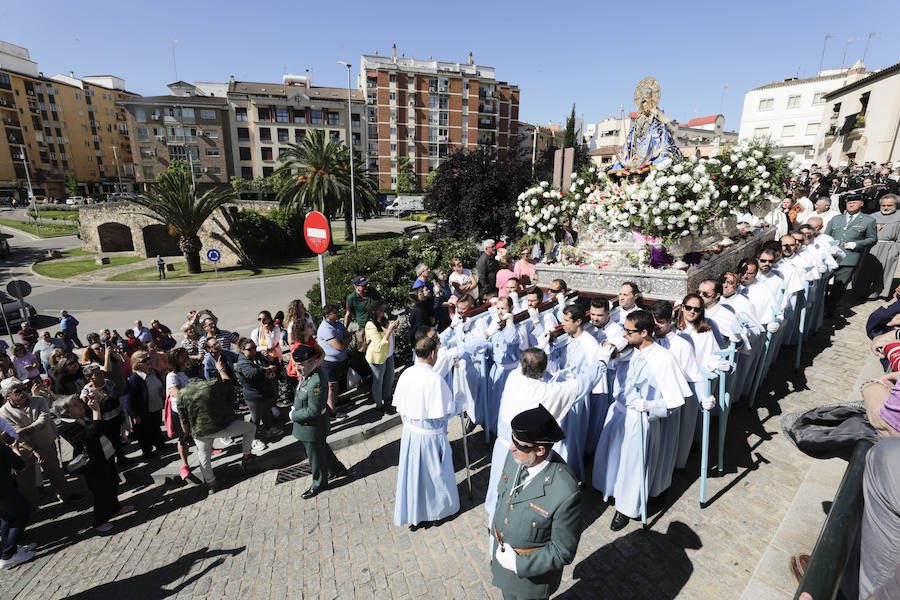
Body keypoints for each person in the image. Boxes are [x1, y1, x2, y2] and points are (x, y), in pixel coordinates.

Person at [592, 310, 691, 531]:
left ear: (644, 332)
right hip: (618, 411)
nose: (624, 334)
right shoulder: (629, 349)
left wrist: (651, 406)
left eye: (629, 331)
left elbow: (675, 402)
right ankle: (608, 489)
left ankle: (626, 508)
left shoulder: (663, 358)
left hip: (640, 419)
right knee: (612, 457)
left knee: (632, 465)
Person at [490, 405, 582, 600]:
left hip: (530, 581)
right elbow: (503, 497)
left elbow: (562, 551)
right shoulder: (518, 456)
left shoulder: (565, 491)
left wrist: (518, 565)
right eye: (513, 440)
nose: (511, 447)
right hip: (503, 561)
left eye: (519, 444)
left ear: (540, 450)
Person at [393, 334, 460, 529]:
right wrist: (460, 401)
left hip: (410, 434)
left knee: (414, 475)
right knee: (435, 476)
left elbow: (400, 405)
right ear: (432, 354)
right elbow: (446, 412)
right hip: (430, 437)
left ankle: (416, 510)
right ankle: (438, 511)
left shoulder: (406, 374)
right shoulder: (435, 379)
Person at [175, 358, 258, 495]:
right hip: (222, 427)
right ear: (201, 371)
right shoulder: (212, 384)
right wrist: (220, 369)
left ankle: (212, 484)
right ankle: (246, 457)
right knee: (251, 428)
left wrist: (185, 435)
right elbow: (228, 383)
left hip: (200, 432)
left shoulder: (181, 394)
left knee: (203, 458)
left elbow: (183, 420)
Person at [53, 394, 134, 532]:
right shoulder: (64, 426)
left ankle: (115, 508)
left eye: (78, 402)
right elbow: (90, 437)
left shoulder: (83, 416)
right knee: (101, 491)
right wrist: (96, 413)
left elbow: (102, 426)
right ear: (67, 412)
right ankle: (99, 521)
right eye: (75, 404)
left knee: (113, 481)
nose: (80, 405)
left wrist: (99, 406)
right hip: (91, 463)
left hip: (105, 454)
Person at [0, 377, 76, 506]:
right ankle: (33, 505)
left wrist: (24, 430)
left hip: (46, 443)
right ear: (7, 396)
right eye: (18, 391)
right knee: (26, 479)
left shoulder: (39, 400)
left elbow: (44, 420)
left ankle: (66, 495)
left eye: (24, 388)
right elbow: (15, 434)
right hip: (24, 448)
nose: (24, 392)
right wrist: (34, 449)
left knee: (55, 471)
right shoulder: (3, 412)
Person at [288, 345, 347, 500]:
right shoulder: (308, 373)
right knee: (322, 449)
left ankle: (319, 483)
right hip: (311, 427)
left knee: (315, 457)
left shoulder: (316, 381)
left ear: (311, 361)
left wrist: (294, 415)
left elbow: (314, 411)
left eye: (300, 365)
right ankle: (337, 469)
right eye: (295, 364)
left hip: (312, 428)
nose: (297, 368)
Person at [824, 195, 878, 316]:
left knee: (840, 286)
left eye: (854, 202)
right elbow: (826, 236)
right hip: (831, 256)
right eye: (849, 203)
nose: (851, 205)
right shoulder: (836, 219)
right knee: (822, 282)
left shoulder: (868, 220)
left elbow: (872, 239)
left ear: (861, 204)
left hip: (850, 257)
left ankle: (830, 309)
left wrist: (857, 244)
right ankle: (820, 305)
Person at [855, 194, 900, 299]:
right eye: (883, 205)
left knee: (882, 271)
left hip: (889, 247)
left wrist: (895, 250)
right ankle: (860, 291)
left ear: (896, 205)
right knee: (864, 269)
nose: (886, 208)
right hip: (871, 247)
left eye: (889, 205)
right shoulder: (873, 216)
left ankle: (877, 292)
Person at [234, 337, 280, 440]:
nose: (253, 350)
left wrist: (269, 358)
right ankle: (252, 439)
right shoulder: (243, 362)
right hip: (254, 396)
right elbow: (251, 373)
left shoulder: (257, 356)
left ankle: (268, 430)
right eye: (250, 349)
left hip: (263, 392)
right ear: (242, 350)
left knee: (266, 412)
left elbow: (273, 364)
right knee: (256, 418)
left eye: (254, 347)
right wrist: (267, 370)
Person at [80, 364, 127, 464]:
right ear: (89, 378)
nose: (101, 375)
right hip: (102, 420)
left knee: (117, 438)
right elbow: (88, 408)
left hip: (115, 416)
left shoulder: (108, 383)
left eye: (101, 373)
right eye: (97, 374)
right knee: (108, 441)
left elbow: (114, 400)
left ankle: (121, 457)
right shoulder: (86, 391)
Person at [0, 436, 35, 568]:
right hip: (4, 491)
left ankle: (10, 549)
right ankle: (8, 554)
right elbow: (21, 465)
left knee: (7, 518)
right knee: (23, 513)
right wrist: (14, 449)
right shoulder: (2, 449)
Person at [125, 350, 167, 459]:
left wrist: (162, 391)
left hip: (156, 405)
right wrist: (134, 415)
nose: (148, 361)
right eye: (144, 360)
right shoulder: (134, 379)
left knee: (156, 426)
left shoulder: (154, 372)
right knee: (144, 432)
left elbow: (159, 384)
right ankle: (147, 452)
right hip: (143, 410)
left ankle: (160, 444)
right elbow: (129, 399)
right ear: (137, 364)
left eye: (148, 358)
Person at [317, 304, 351, 420]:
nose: (337, 314)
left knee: (336, 385)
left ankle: (335, 402)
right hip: (330, 363)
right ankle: (331, 412)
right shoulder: (325, 329)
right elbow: (339, 346)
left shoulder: (337, 323)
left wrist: (344, 341)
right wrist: (344, 342)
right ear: (327, 316)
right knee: (331, 387)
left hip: (339, 361)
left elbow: (348, 335)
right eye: (335, 313)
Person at [364, 301, 398, 415]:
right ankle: (379, 405)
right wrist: (389, 330)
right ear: (375, 312)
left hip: (388, 355)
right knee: (378, 381)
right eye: (381, 310)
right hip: (377, 357)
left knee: (389, 379)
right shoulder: (370, 325)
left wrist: (393, 328)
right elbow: (379, 345)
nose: (384, 312)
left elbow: (389, 336)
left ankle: (387, 401)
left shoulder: (383, 320)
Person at [165, 348, 192, 480]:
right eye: (183, 356)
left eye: (186, 355)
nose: (186, 357)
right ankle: (184, 464)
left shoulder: (184, 371)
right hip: (180, 412)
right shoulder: (172, 376)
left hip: (191, 409)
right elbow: (177, 393)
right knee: (184, 438)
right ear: (175, 360)